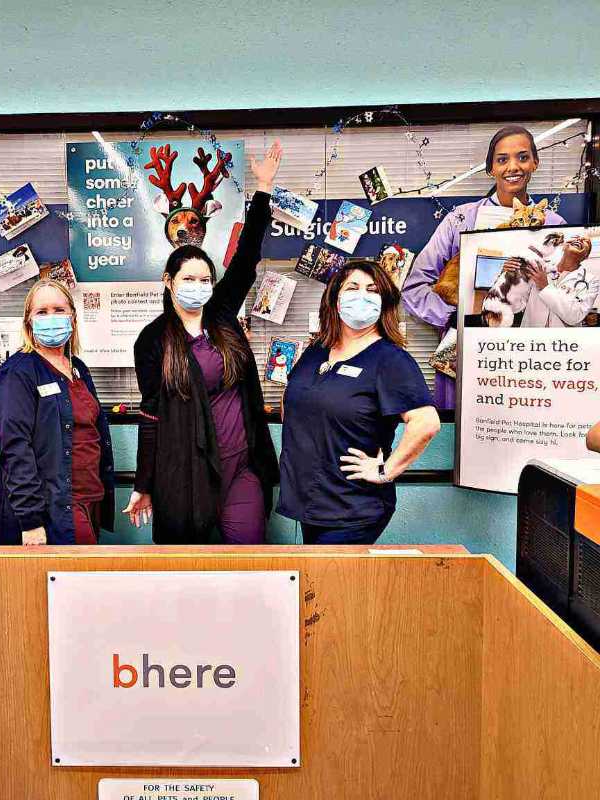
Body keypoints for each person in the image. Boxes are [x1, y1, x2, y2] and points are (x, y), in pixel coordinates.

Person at [123, 141, 283, 544]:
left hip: (242, 467)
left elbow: (246, 257)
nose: (198, 287)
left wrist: (262, 190)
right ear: (169, 282)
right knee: (189, 572)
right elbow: (151, 417)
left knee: (248, 560)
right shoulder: (153, 341)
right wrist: (144, 484)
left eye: (204, 280)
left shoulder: (222, 315)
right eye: (188, 279)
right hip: (187, 473)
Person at [402, 125, 566, 407]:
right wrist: (455, 316)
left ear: (535, 163)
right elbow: (414, 288)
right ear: (490, 168)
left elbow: (565, 295)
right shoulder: (461, 220)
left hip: (532, 355)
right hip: (469, 351)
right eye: (502, 159)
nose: (513, 167)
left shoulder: (554, 226)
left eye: (522, 157)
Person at [279, 261, 440, 545]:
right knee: (317, 585)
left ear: (384, 302)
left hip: (352, 506)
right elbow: (292, 398)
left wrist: (385, 471)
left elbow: (426, 422)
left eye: (372, 290)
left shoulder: (391, 360)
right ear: (335, 299)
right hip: (313, 501)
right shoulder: (316, 351)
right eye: (352, 288)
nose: (362, 296)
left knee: (331, 586)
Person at [0, 279, 114, 545]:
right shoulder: (17, 372)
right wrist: (30, 520)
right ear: (28, 322)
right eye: (41, 312)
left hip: (87, 499)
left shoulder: (77, 367)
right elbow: (15, 449)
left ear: (73, 318)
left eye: (59, 310)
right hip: (51, 509)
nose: (51, 318)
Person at [513, 234, 599, 327]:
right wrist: (510, 273)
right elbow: (516, 304)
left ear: (586, 256)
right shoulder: (540, 266)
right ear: (563, 246)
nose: (579, 239)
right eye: (575, 237)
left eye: (586, 241)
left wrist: (545, 286)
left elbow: (575, 317)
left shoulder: (591, 281)